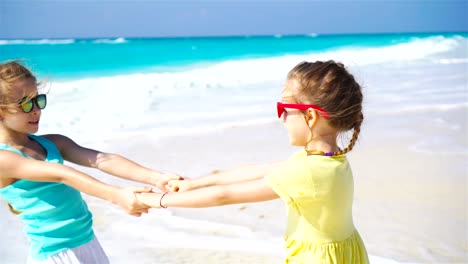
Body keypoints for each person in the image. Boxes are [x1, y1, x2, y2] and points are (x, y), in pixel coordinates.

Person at [137, 60, 370, 263]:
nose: (281, 118)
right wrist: (196, 183)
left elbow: (224, 196)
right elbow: (256, 171)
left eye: (284, 108)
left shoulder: (307, 172)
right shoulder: (329, 159)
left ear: (310, 116)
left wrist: (155, 200)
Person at [0, 60, 180, 263]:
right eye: (25, 103)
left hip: (87, 243)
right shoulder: (4, 158)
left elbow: (101, 159)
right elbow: (61, 174)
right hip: (53, 255)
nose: (35, 110)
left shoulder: (54, 143)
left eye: (38, 100)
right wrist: (117, 195)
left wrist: (156, 178)